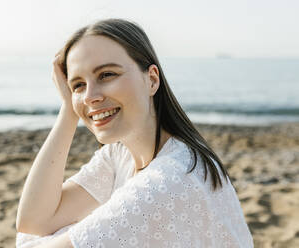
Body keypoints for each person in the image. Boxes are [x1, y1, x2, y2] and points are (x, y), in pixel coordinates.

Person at [15, 18, 254, 248]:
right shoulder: (121, 154)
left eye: (107, 74)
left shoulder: (170, 178)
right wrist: (69, 110)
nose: (90, 96)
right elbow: (33, 221)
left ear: (151, 80)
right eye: (78, 85)